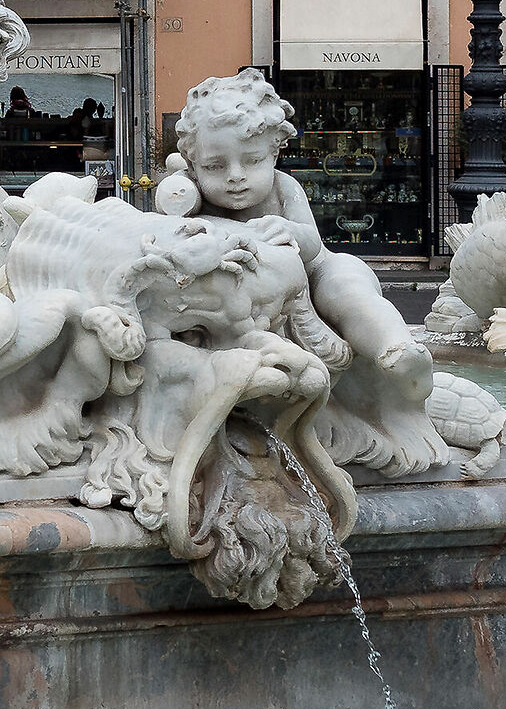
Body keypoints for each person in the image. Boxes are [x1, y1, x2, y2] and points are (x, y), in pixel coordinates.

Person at [172, 69, 442, 474]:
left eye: (252, 161)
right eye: (214, 165)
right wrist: (180, 197)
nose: (235, 175)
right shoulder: (195, 198)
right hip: (253, 293)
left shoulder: (283, 188)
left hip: (316, 271)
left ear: (274, 154)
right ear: (193, 165)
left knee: (347, 291)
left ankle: (398, 352)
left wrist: (290, 230)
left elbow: (312, 243)